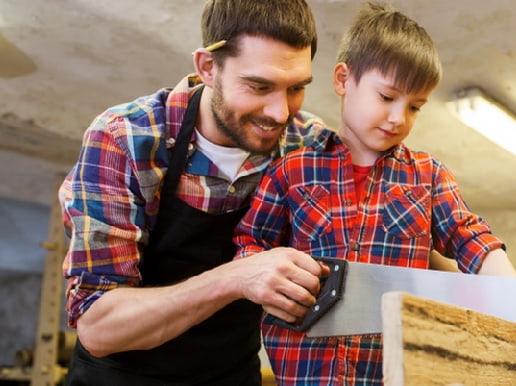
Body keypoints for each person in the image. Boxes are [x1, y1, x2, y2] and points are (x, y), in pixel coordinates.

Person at [233, 2, 516, 384]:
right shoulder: (292, 171)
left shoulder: (428, 178)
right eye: (387, 97)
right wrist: (272, 284)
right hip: (306, 372)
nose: (398, 118)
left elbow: (475, 242)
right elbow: (249, 244)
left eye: (415, 107)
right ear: (343, 79)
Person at [58, 0, 331, 384]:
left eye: (296, 88)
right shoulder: (125, 139)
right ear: (207, 67)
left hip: (231, 374)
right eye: (259, 86)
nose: (280, 113)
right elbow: (100, 328)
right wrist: (235, 278)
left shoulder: (308, 146)